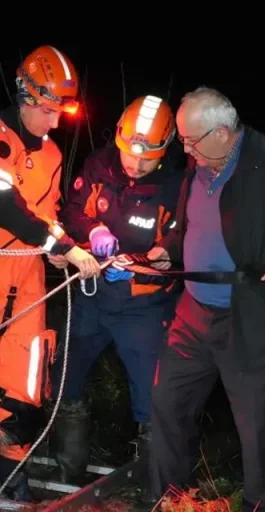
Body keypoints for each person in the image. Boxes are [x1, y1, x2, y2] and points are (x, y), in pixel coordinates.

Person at [143, 87, 265, 512]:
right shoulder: (196, 168)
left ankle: (258, 501)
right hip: (192, 312)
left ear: (221, 132)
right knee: (167, 402)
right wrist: (168, 249)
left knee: (255, 422)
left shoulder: (264, 161)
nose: (183, 148)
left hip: (243, 315)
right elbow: (189, 227)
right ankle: (169, 496)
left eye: (188, 139)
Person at [50, 95, 185, 485]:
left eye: (147, 159)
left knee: (151, 393)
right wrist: (93, 229)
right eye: (131, 154)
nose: (136, 164)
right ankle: (66, 474)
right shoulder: (99, 164)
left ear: (164, 152)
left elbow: (187, 230)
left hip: (143, 305)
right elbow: (73, 208)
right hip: (91, 296)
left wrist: (165, 251)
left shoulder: (175, 184)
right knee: (65, 378)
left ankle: (153, 483)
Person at [0, 45, 101, 501]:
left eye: (61, 111)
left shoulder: (53, 153)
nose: (55, 121)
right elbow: (7, 206)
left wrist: (64, 247)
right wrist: (59, 245)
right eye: (47, 110)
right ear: (25, 96)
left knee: (26, 373)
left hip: (29, 276)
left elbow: (46, 212)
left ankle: (8, 463)